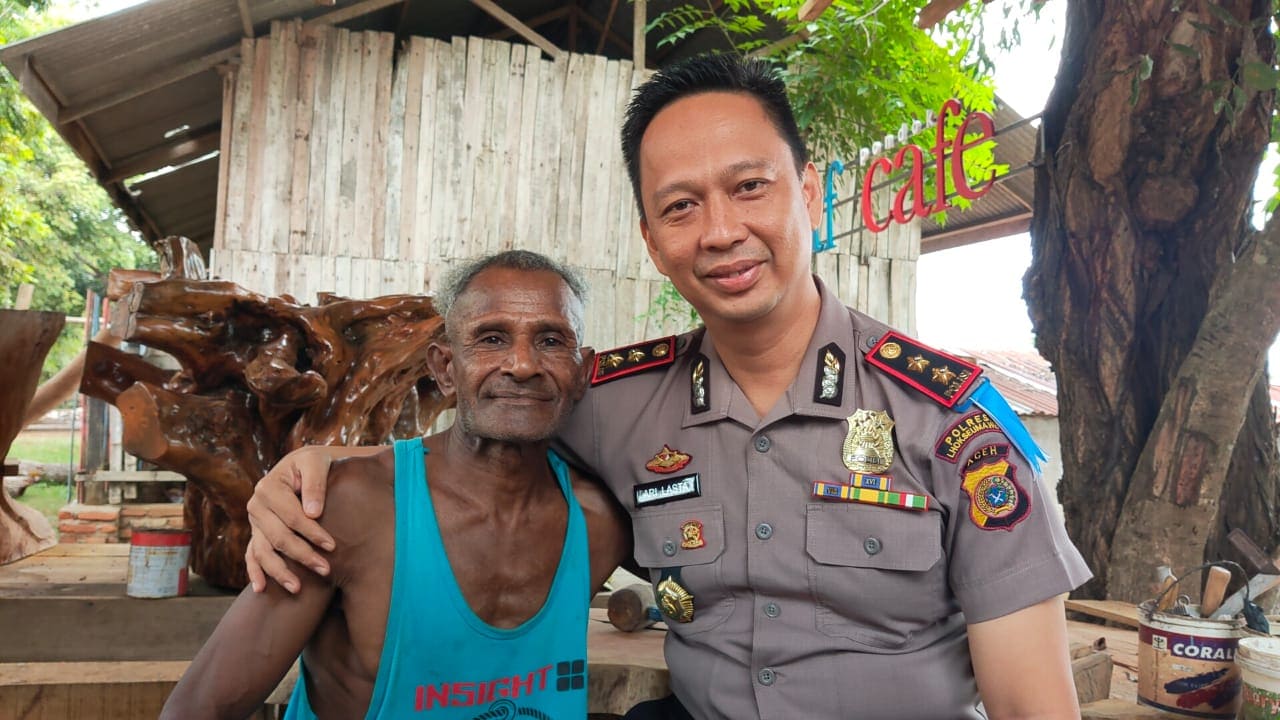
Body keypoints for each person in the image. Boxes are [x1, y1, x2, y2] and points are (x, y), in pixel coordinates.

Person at [246, 55, 1091, 719]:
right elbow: (473, 445)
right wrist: (327, 465)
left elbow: (1030, 704)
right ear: (652, 241)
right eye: (681, 207)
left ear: (808, 188)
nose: (721, 232)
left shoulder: (946, 419)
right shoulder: (613, 402)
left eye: (749, 187)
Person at [160, 251, 630, 719]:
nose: (523, 364)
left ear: (582, 371)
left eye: (550, 340)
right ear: (445, 368)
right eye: (491, 338)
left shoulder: (599, 525)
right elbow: (198, 710)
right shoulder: (348, 509)